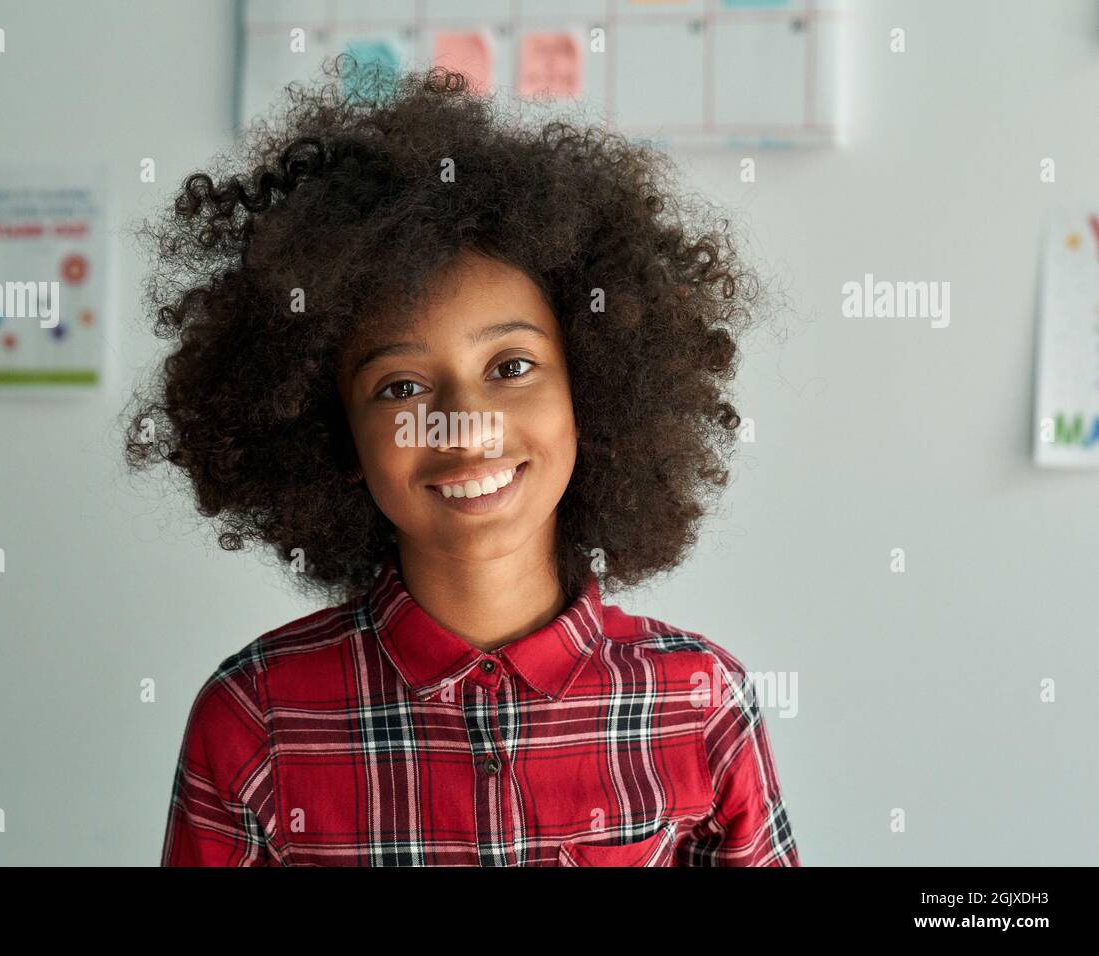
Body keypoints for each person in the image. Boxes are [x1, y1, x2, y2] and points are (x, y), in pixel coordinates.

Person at [125, 54, 799, 867]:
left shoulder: (699, 703)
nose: (465, 426)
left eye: (511, 367)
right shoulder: (254, 720)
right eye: (402, 385)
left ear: (593, 386)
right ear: (335, 435)